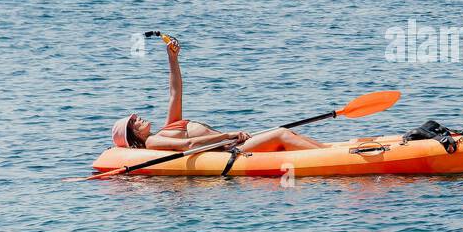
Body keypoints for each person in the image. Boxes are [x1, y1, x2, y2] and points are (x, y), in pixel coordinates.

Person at [110, 36, 327, 153]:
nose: (139, 118)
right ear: (135, 135)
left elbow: (175, 92)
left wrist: (173, 58)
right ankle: (326, 157)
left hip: (231, 143)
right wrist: (228, 135)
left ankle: (326, 150)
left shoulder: (168, 126)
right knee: (280, 133)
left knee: (286, 133)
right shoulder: (153, 143)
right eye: (134, 122)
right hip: (229, 149)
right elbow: (189, 145)